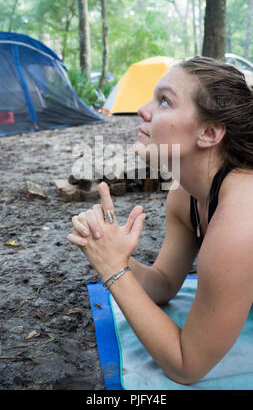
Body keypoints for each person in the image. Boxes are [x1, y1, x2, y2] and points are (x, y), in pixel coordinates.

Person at [67, 56, 253, 385]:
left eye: (164, 101)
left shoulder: (242, 218)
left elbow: (187, 365)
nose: (143, 109)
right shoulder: (186, 194)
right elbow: (165, 284)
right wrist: (112, 252)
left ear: (209, 133)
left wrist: (114, 272)